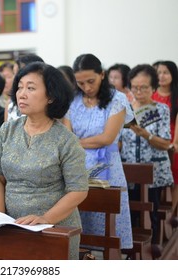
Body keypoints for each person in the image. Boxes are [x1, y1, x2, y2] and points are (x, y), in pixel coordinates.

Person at [0, 62, 88, 260]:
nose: (21, 94)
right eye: (20, 87)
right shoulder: (7, 130)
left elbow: (78, 190)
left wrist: (45, 219)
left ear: (50, 96)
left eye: (31, 88)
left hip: (54, 229)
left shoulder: (65, 139)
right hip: (12, 226)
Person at [62, 53, 134, 250]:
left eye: (91, 81)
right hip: (76, 167)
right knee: (79, 223)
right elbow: (68, 137)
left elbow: (107, 138)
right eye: (81, 83)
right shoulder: (73, 100)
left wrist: (77, 142)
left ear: (102, 74)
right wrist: (79, 143)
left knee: (107, 223)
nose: (86, 87)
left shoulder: (117, 99)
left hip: (107, 167)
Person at [120, 64, 173, 249]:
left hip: (154, 171)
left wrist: (146, 134)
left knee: (153, 211)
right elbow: (118, 141)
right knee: (131, 212)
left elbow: (166, 143)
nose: (139, 91)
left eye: (144, 87)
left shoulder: (161, 110)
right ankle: (133, 248)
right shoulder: (125, 110)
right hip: (129, 170)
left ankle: (155, 245)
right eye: (135, 87)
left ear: (153, 87)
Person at [152, 60, 178, 226]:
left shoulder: (176, 96)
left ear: (173, 75)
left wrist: (175, 143)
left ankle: (172, 214)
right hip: (153, 139)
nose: (161, 76)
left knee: (175, 177)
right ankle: (157, 215)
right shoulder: (151, 94)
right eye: (159, 72)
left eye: (165, 72)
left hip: (173, 139)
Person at [7, 54, 44, 121]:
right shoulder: (10, 104)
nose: (14, 77)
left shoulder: (43, 106)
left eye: (19, 72)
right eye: (14, 73)